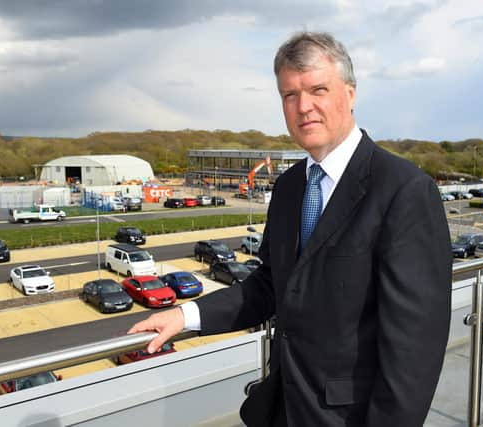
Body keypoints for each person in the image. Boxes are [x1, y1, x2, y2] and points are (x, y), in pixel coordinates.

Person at [129, 31, 452, 427]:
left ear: (349, 95)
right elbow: (271, 285)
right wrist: (187, 316)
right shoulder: (289, 186)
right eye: (289, 95)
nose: (304, 107)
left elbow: (414, 348)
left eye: (318, 89)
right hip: (284, 408)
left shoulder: (403, 190)